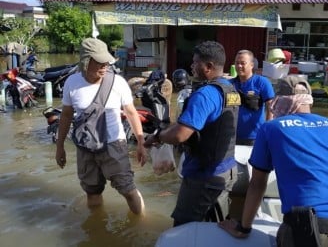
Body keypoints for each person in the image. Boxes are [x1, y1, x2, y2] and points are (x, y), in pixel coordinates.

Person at [219, 76, 328, 246]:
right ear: (309, 100)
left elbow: (257, 184)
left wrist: (243, 228)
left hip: (310, 230)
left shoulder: (270, 128)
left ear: (279, 100)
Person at [144, 41, 240, 226]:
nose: (192, 66)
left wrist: (157, 137)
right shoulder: (230, 89)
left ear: (209, 66)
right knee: (214, 226)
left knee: (184, 228)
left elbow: (181, 134)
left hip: (205, 176)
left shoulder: (205, 95)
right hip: (226, 170)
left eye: (195, 62)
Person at [55, 37, 147, 215]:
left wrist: (141, 143)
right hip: (85, 148)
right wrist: (59, 147)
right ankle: (97, 227)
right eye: (99, 63)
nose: (104, 66)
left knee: (128, 190)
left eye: (106, 62)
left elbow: (131, 112)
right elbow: (66, 116)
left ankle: (141, 224)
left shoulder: (118, 83)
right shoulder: (72, 83)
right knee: (92, 192)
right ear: (85, 62)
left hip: (114, 145)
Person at [230, 49, 274, 146]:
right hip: (231, 136)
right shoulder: (230, 84)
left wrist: (267, 130)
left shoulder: (262, 82)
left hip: (254, 137)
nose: (239, 66)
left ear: (251, 65)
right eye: (237, 63)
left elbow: (271, 107)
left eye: (243, 63)